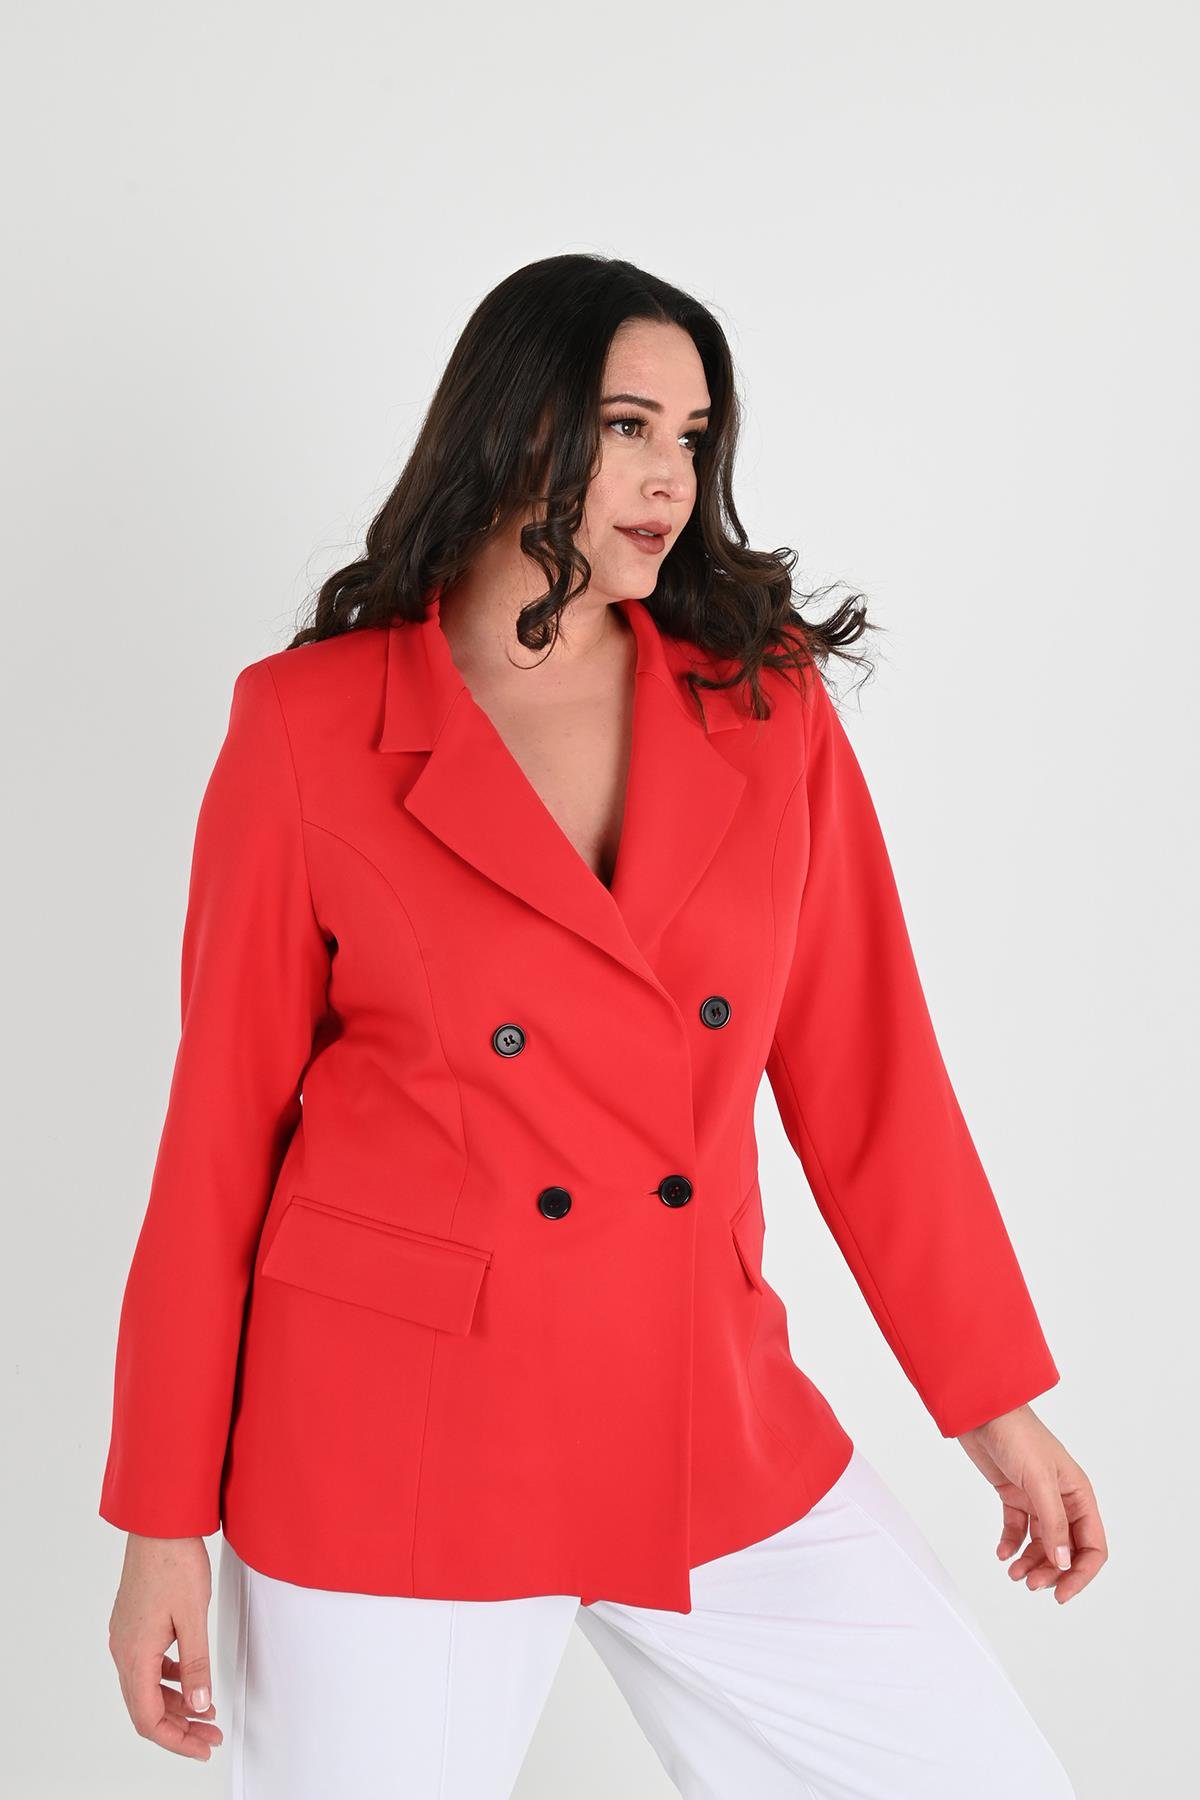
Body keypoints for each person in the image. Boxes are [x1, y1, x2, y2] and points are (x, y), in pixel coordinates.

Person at [100, 254, 1104, 1797]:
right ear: (517, 427)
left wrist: (994, 1407)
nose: (671, 479)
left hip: (703, 1412)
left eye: (693, 437)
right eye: (629, 425)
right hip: (395, 1445)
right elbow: (218, 1142)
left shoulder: (766, 709)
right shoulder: (309, 727)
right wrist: (162, 1521)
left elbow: (874, 1082)